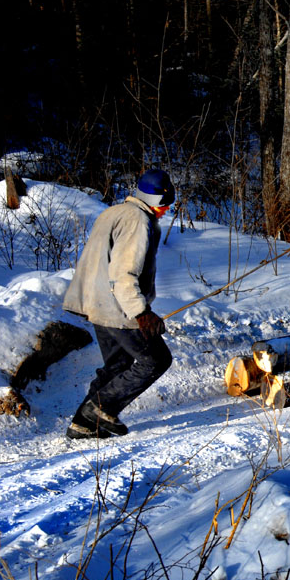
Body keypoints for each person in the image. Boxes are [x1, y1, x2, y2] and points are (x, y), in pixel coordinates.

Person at [62, 168, 175, 439]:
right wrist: (141, 312)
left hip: (96, 303)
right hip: (118, 307)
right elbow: (124, 273)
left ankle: (83, 423)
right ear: (156, 201)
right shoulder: (138, 220)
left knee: (117, 365)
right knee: (156, 360)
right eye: (165, 204)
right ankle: (101, 409)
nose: (166, 211)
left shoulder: (112, 212)